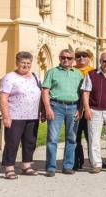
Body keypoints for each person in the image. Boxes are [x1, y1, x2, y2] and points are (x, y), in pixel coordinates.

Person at [0, 51, 42, 179]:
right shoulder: (10, 77)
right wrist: (6, 116)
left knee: (30, 142)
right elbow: (3, 98)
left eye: (28, 63)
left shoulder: (35, 77)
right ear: (17, 62)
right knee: (12, 143)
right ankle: (9, 168)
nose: (26, 65)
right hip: (15, 116)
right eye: (23, 62)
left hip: (33, 116)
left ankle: (26, 166)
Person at [41, 48, 84, 177]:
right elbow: (45, 91)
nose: (66, 60)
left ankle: (67, 166)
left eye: (69, 58)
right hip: (56, 106)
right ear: (59, 58)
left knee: (72, 138)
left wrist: (80, 109)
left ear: (73, 60)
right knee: (52, 138)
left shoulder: (78, 74)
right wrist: (47, 108)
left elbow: (82, 93)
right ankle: (51, 167)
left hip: (73, 107)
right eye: (63, 57)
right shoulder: (52, 72)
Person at [80, 52, 106, 173]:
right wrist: (87, 109)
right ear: (100, 61)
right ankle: (96, 164)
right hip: (95, 110)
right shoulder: (91, 74)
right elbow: (86, 93)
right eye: (104, 61)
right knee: (94, 137)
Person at [72, 47, 94, 170]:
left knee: (91, 136)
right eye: (79, 56)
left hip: (90, 109)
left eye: (84, 56)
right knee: (75, 136)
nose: (81, 58)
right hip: (74, 107)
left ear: (88, 58)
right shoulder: (71, 70)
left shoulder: (93, 71)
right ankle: (76, 161)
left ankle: (93, 160)